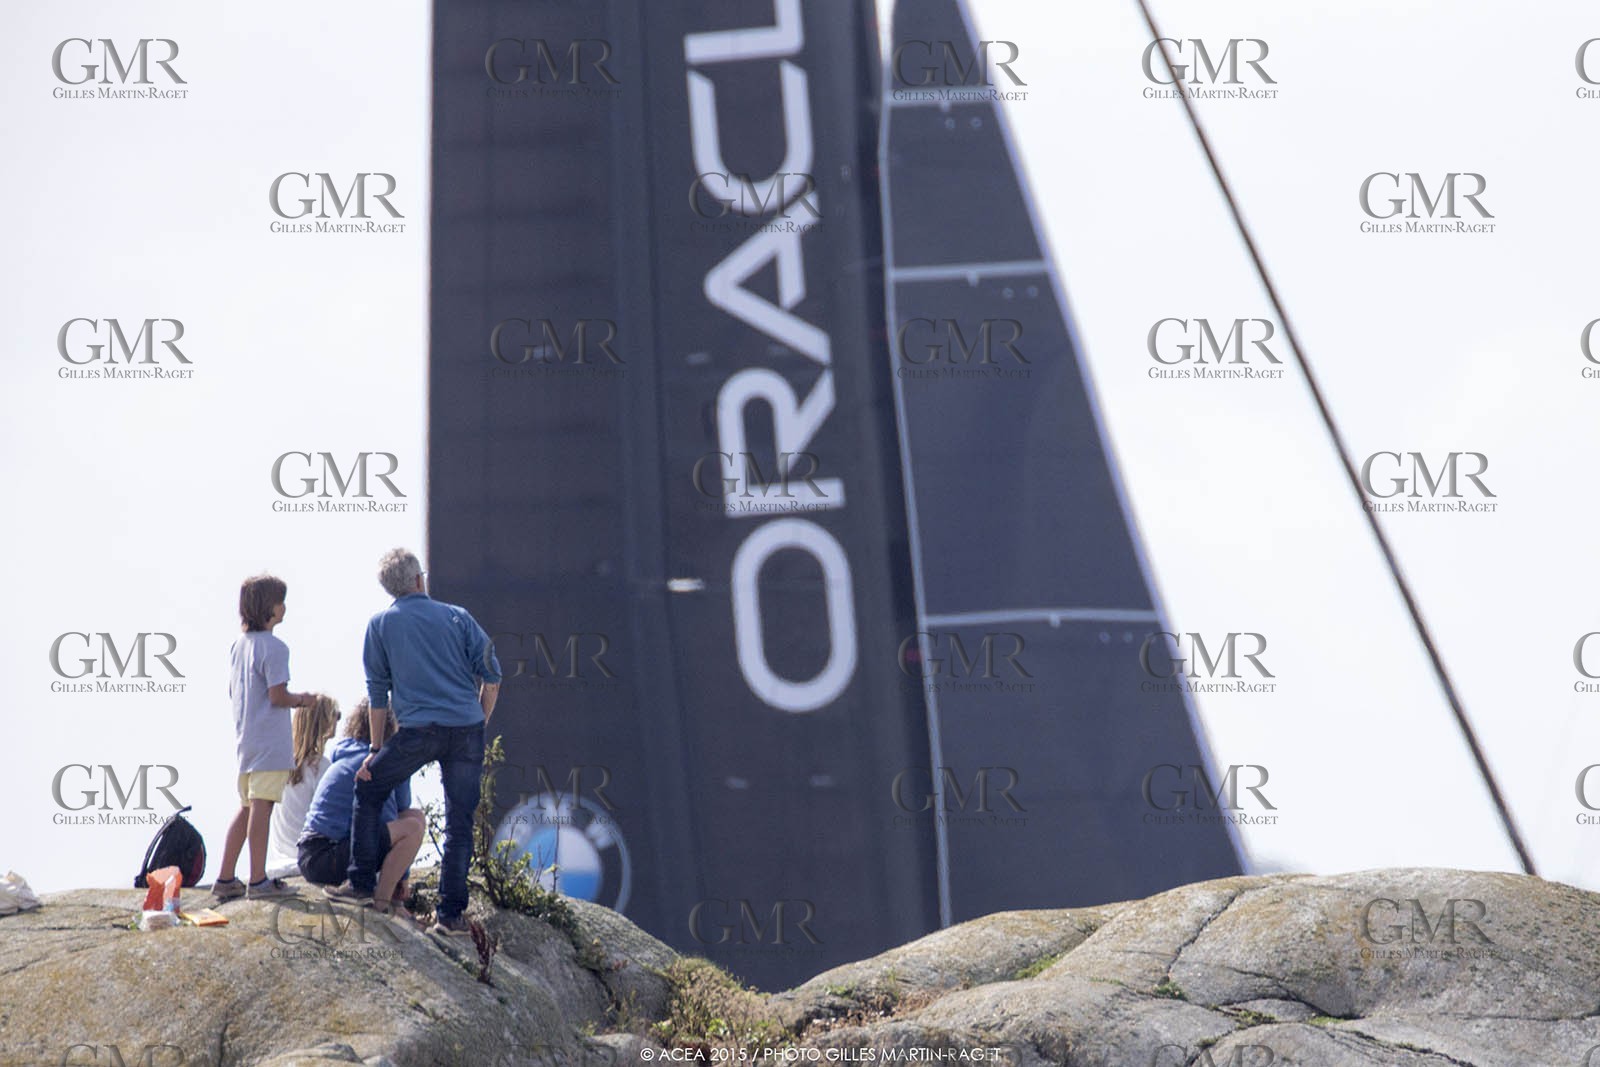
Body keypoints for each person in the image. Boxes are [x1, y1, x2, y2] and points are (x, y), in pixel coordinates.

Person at [326, 549, 500, 937]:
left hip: (418, 731)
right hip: (466, 729)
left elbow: (377, 695)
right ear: (419, 579)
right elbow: (493, 675)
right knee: (460, 822)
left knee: (368, 787)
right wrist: (479, 723)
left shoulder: (381, 624)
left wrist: (374, 749)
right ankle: (450, 916)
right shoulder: (458, 616)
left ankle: (361, 885)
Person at [213, 574, 320, 902]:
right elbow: (277, 696)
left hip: (246, 740)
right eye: (280, 600)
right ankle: (257, 880)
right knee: (262, 808)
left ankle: (225, 877)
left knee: (246, 808)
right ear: (269, 608)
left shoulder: (238, 646)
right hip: (271, 743)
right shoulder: (275, 647)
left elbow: (233, 691)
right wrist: (303, 699)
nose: (284, 606)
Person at [299, 700, 424, 913]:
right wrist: (402, 876)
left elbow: (402, 810)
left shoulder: (351, 753)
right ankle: (382, 904)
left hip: (314, 854)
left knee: (415, 817)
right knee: (412, 827)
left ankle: (390, 899)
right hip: (324, 856)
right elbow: (385, 820)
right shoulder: (376, 763)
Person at [266, 695, 340, 877]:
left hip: (278, 864)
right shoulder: (321, 767)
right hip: (308, 861)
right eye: (335, 715)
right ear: (325, 721)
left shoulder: (278, 764)